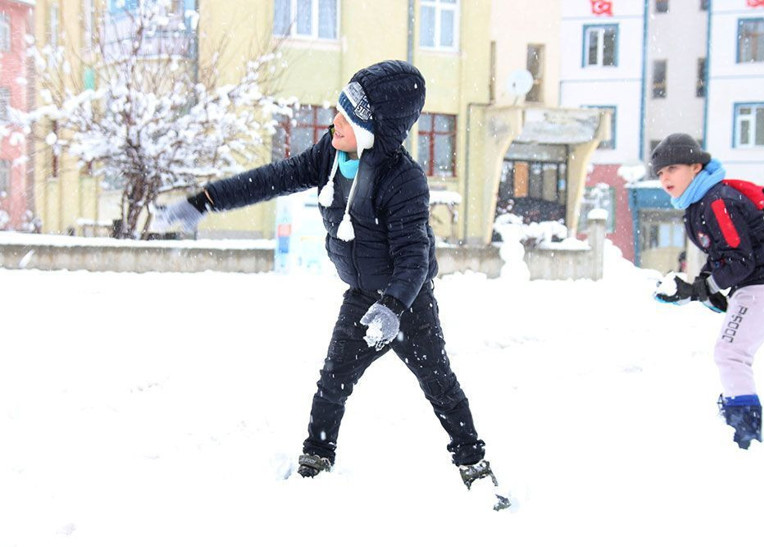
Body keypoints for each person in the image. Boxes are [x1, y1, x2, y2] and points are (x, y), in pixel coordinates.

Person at [153, 60, 508, 506]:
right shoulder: (330, 156)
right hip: (362, 296)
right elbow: (273, 178)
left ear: (375, 126)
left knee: (439, 384)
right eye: (338, 110)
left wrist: (393, 307)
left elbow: (415, 258)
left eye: (347, 116)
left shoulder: (404, 180)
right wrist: (205, 201)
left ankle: (474, 465)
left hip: (407, 304)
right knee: (333, 380)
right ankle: (316, 458)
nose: (334, 121)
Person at [651, 133, 764, 449]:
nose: (665, 178)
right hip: (757, 281)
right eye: (660, 173)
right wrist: (701, 287)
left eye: (672, 169)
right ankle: (736, 409)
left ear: (695, 166)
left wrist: (701, 287)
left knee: (731, 353)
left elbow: (739, 260)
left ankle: (744, 433)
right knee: (731, 351)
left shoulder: (717, 201)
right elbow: (721, 255)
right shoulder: (698, 203)